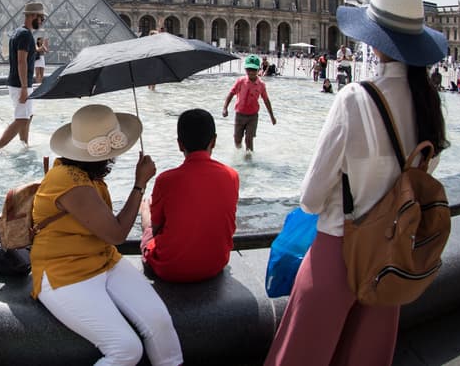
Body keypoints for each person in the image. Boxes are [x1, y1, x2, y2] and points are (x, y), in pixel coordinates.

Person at [265, 0, 449, 366]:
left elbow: (311, 198)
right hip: (391, 256)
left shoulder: (354, 99)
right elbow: (421, 177)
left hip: (339, 250)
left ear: (375, 41)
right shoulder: (430, 105)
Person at [31, 104, 183, 365]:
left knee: (159, 320)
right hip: (63, 273)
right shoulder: (70, 182)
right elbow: (117, 233)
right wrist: (140, 184)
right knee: (126, 349)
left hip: (103, 260)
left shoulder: (82, 173)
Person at [139, 108, 239, 283]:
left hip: (168, 268)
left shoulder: (165, 180)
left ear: (179, 144)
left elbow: (155, 229)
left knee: (146, 214)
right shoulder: (232, 175)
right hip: (216, 263)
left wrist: (145, 210)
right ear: (214, 141)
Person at [0, 2, 46, 150]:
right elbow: (21, 61)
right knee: (21, 119)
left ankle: (25, 145)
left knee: (28, 116)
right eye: (41, 18)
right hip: (20, 84)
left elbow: (24, 57)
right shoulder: (24, 35)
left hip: (21, 82)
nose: (42, 22)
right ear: (33, 15)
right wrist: (24, 87)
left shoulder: (20, 32)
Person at [222, 55, 277, 153]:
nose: (251, 72)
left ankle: (249, 160)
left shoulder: (261, 84)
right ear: (245, 69)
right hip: (239, 115)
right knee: (237, 139)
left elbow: (266, 100)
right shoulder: (241, 81)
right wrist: (225, 108)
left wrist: (272, 116)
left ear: (258, 70)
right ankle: (239, 156)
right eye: (249, 69)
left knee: (249, 139)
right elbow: (231, 93)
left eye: (254, 70)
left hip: (253, 116)